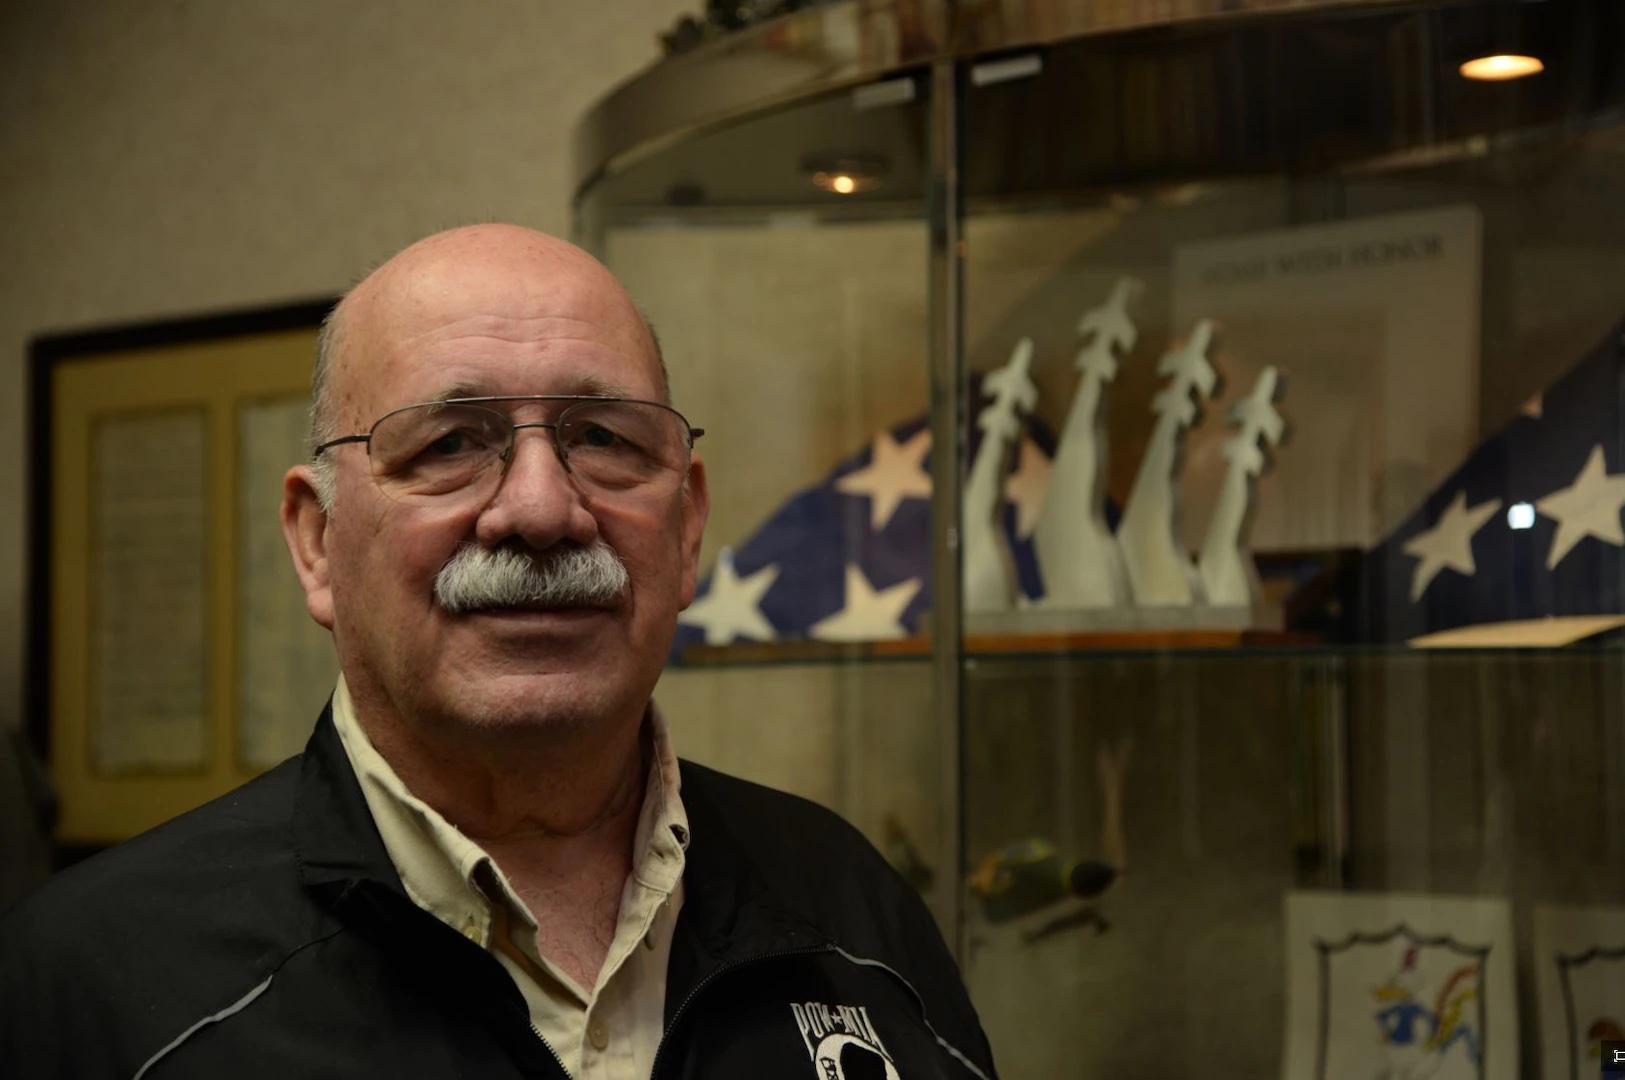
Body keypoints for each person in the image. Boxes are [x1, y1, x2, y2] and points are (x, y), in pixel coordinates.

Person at [0, 225, 997, 1080]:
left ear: (686, 528)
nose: (540, 510)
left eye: (603, 437)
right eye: (447, 444)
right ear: (315, 542)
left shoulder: (848, 908)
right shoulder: (98, 983)